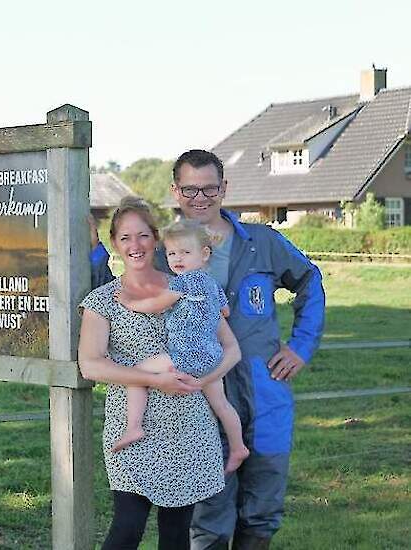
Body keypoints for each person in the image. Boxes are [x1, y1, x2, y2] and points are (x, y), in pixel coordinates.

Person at [164, 150, 325, 550]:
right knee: (208, 512)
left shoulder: (263, 242)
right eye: (190, 189)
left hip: (265, 389)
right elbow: (118, 298)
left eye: (209, 188)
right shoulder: (162, 251)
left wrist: (301, 347)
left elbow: (310, 280)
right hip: (199, 395)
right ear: (175, 191)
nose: (200, 197)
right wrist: (95, 251)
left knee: (263, 506)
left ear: (224, 189)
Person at [78, 197, 241, 550]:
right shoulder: (104, 299)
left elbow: (230, 348)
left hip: (189, 427)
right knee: (127, 528)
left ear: (156, 239)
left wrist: (207, 379)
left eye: (142, 236)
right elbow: (90, 364)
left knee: (175, 535)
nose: (134, 246)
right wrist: (154, 380)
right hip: (133, 429)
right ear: (115, 244)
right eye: (124, 238)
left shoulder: (189, 284)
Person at [112, 219, 250, 476]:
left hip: (185, 356)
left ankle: (133, 426)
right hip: (212, 355)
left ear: (205, 254)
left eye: (185, 252)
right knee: (221, 404)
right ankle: (238, 446)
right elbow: (226, 310)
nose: (177, 259)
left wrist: (130, 303)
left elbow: (157, 304)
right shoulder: (213, 285)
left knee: (137, 373)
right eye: (172, 253)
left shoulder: (183, 282)